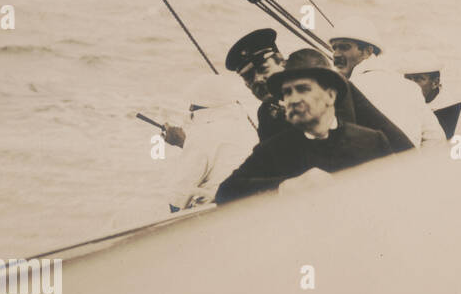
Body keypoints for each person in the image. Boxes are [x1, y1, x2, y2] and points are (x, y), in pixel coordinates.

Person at [215, 49, 393, 203]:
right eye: (287, 92)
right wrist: (285, 187)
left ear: (331, 96)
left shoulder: (372, 141)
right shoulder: (275, 148)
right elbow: (225, 192)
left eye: (303, 89)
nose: (293, 99)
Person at [329, 18, 446, 148]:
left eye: (344, 47)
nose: (336, 54)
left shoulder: (345, 90)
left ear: (368, 51)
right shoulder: (410, 87)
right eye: (334, 48)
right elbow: (436, 139)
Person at [165, 74, 258, 211]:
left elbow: (178, 198)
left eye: (192, 104)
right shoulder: (247, 127)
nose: (190, 109)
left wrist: (188, 145)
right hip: (247, 204)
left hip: (214, 213)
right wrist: (184, 144)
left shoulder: (201, 135)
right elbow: (220, 154)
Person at [225, 27, 291, 142]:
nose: (257, 79)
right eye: (248, 76)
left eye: (263, 69)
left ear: (281, 62)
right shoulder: (266, 112)